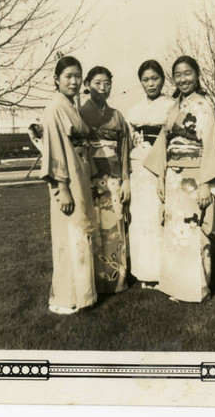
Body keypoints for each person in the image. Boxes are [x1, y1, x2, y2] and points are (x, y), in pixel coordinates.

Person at [144, 56, 215, 302]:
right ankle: (175, 285)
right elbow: (163, 144)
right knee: (174, 230)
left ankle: (196, 288)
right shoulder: (173, 107)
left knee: (192, 229)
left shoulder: (204, 106)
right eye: (178, 75)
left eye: (187, 73)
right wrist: (160, 179)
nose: (183, 79)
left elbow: (211, 145)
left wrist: (206, 184)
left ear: (197, 75)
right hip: (172, 175)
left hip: (194, 175)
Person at [40, 56, 97, 315]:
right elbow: (54, 150)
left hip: (80, 174)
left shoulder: (71, 106)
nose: (74, 82)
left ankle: (83, 294)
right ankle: (65, 297)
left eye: (78, 76)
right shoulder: (54, 108)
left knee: (79, 232)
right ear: (56, 80)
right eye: (68, 76)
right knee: (67, 234)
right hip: (67, 180)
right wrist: (62, 187)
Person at [79, 66, 131, 294]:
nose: (103, 87)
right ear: (87, 84)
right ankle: (95, 282)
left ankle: (117, 280)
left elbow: (125, 150)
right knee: (93, 228)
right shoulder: (79, 114)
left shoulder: (117, 116)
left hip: (114, 179)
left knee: (114, 227)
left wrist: (126, 179)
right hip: (89, 179)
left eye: (107, 83)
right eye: (97, 83)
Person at [126, 60, 174, 288]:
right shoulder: (135, 109)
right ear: (141, 82)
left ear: (163, 80)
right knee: (141, 217)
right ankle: (143, 271)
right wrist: (135, 137)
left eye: (155, 78)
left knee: (158, 216)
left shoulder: (172, 106)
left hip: (160, 165)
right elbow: (128, 134)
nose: (150, 83)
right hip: (139, 167)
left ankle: (161, 271)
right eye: (145, 79)